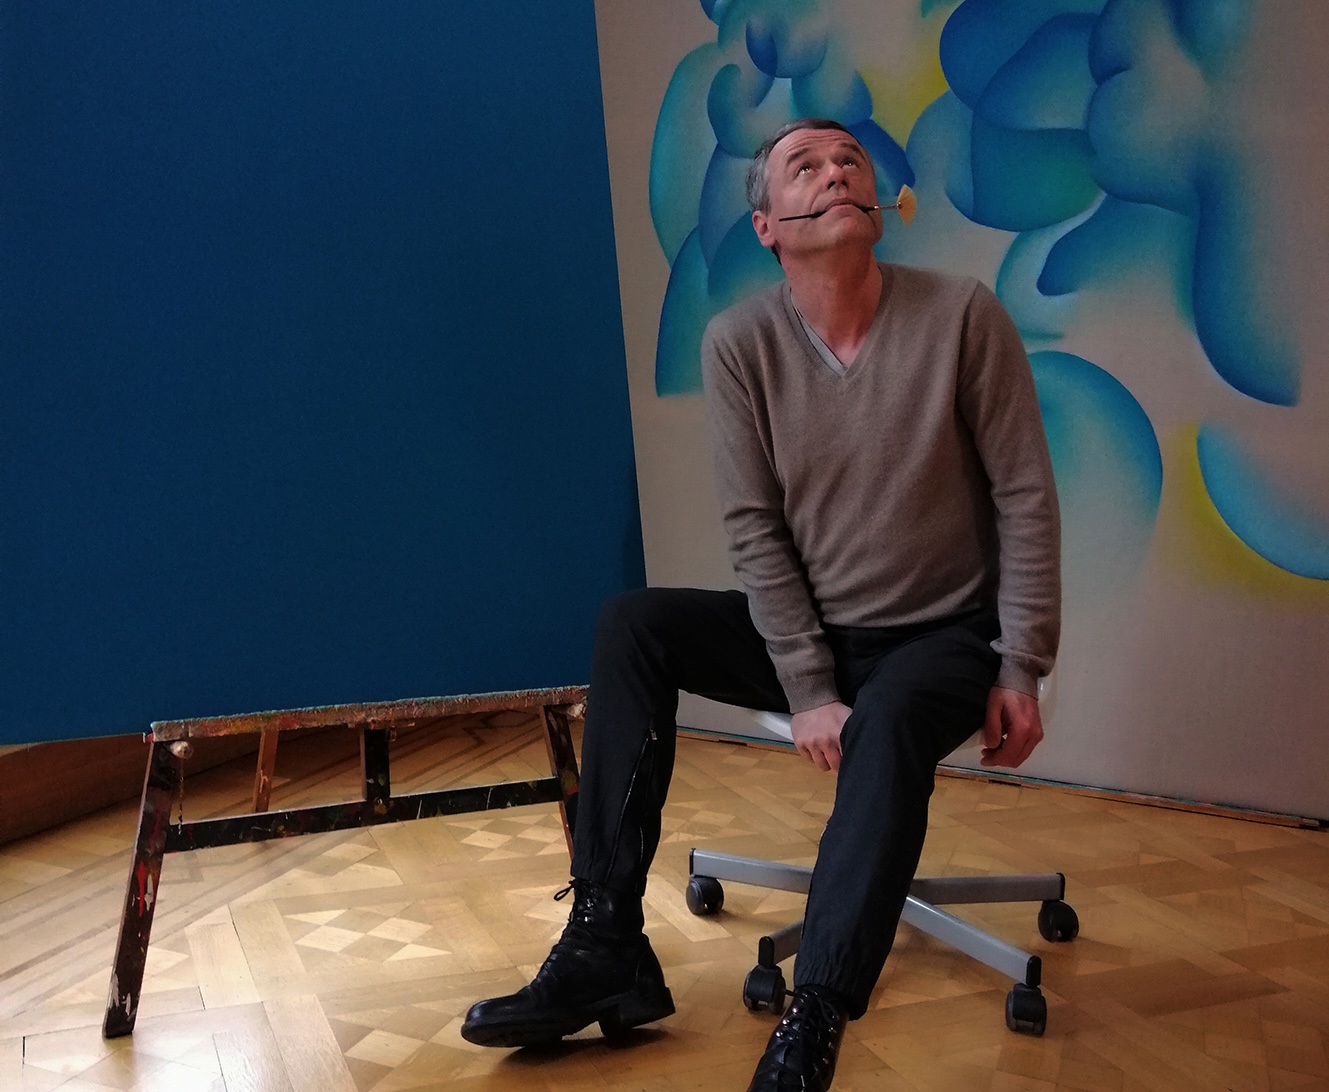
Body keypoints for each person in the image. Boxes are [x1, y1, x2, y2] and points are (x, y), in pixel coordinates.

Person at [461, 117, 1060, 1092]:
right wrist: (809, 683)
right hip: (814, 634)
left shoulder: (962, 315)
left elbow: (1024, 495)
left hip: (942, 638)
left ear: (878, 207)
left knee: (892, 716)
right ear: (767, 225)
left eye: (849, 161)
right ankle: (606, 940)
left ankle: (813, 1015)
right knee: (632, 626)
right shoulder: (739, 343)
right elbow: (755, 528)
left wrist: (1022, 662)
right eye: (804, 166)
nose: (835, 172)